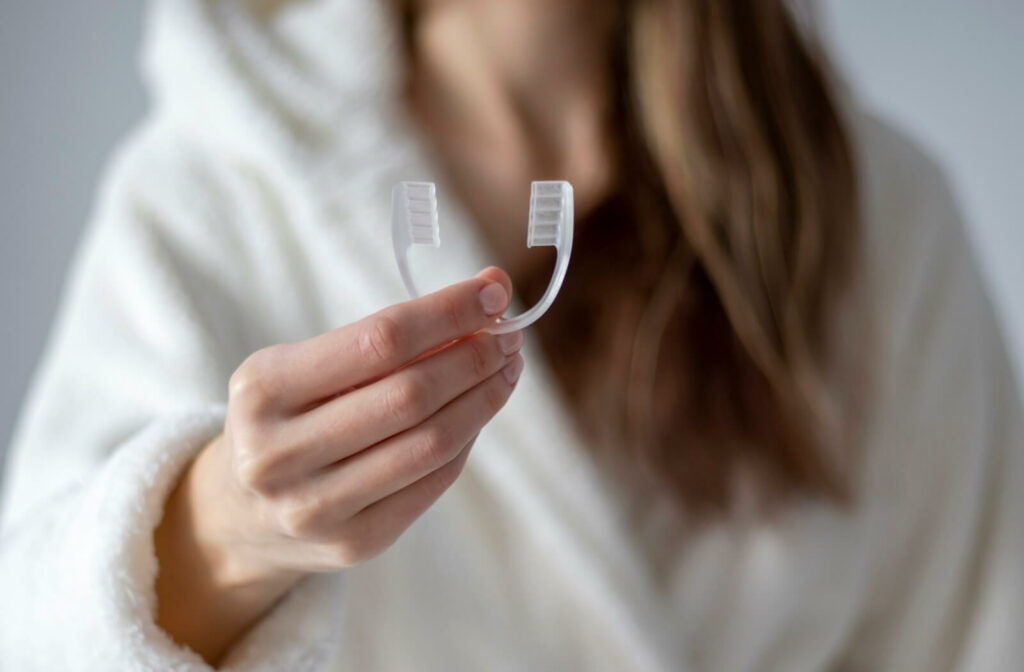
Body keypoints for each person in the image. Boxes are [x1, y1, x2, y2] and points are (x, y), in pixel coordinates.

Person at [1, 0, 1021, 669]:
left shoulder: (876, 216)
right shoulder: (213, 193)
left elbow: (981, 630)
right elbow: (34, 632)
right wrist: (226, 525)